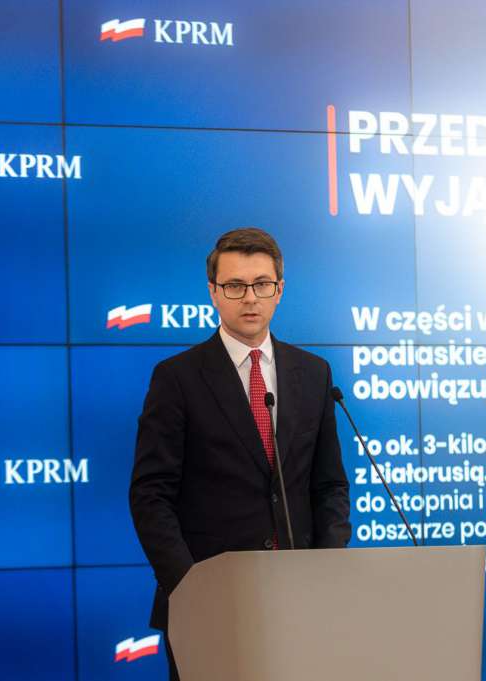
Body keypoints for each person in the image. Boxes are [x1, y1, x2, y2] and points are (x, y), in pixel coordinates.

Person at [129, 227, 351, 681]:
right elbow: (150, 495)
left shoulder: (313, 373)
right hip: (208, 605)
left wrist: (325, 574)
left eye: (262, 284)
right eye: (234, 285)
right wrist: (192, 587)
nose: (250, 298)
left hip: (299, 603)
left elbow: (330, 485)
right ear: (213, 292)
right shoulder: (177, 378)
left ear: (279, 290)